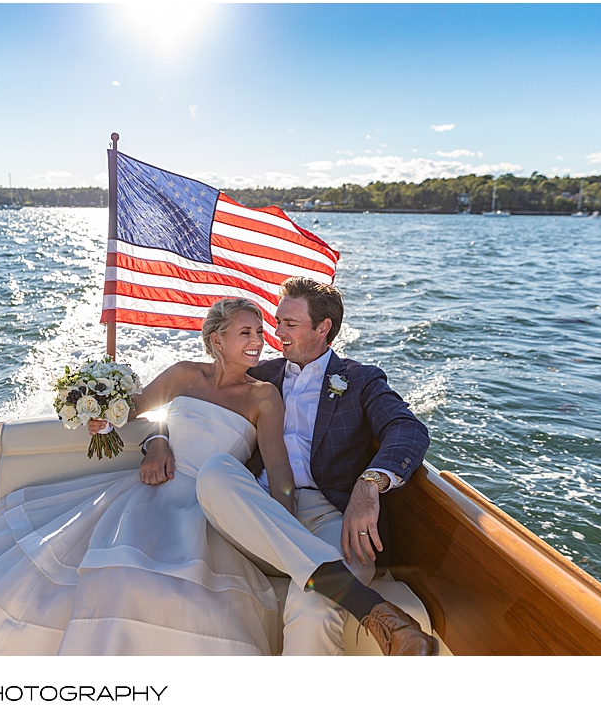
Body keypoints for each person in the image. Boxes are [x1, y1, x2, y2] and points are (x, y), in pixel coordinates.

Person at [0, 298, 296, 655]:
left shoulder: (263, 396)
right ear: (217, 340)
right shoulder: (184, 375)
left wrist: (285, 523)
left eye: (260, 332)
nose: (258, 340)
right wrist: (101, 412)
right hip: (149, 492)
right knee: (71, 574)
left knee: (172, 592)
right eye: (246, 332)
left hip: (209, 509)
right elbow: (138, 410)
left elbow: (277, 466)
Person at [141, 277, 437, 656]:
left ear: (322, 328)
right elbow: (184, 408)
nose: (275, 333)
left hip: (334, 518)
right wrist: (158, 439)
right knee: (216, 471)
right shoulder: (259, 375)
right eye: (277, 322)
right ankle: (370, 607)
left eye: (289, 324)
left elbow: (407, 429)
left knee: (314, 606)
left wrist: (369, 484)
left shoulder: (361, 380)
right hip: (254, 510)